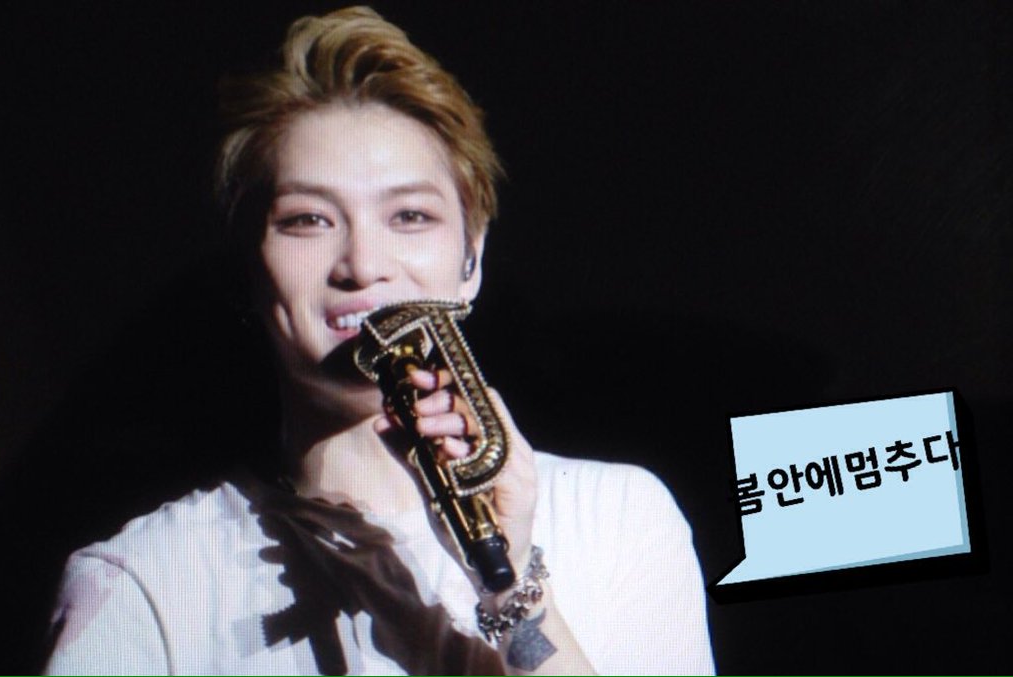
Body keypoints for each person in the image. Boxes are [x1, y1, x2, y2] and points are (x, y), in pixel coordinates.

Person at [44, 6, 714, 675]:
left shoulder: (620, 518)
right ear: (247, 267)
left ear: (472, 258)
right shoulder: (149, 582)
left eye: (410, 216)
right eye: (308, 220)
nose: (363, 265)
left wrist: (507, 582)